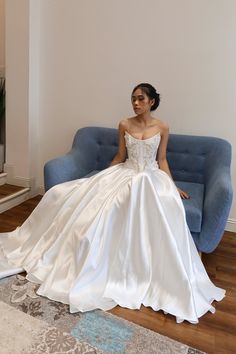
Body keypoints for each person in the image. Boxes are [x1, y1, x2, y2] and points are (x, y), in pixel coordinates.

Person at [0, 83, 225, 324]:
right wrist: (101, 178)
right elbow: (120, 156)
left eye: (140, 99)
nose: (136, 103)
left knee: (153, 200)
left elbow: (162, 160)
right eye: (133, 99)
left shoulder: (162, 126)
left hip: (151, 177)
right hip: (125, 172)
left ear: (151, 101)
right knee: (64, 196)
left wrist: (173, 186)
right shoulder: (124, 124)